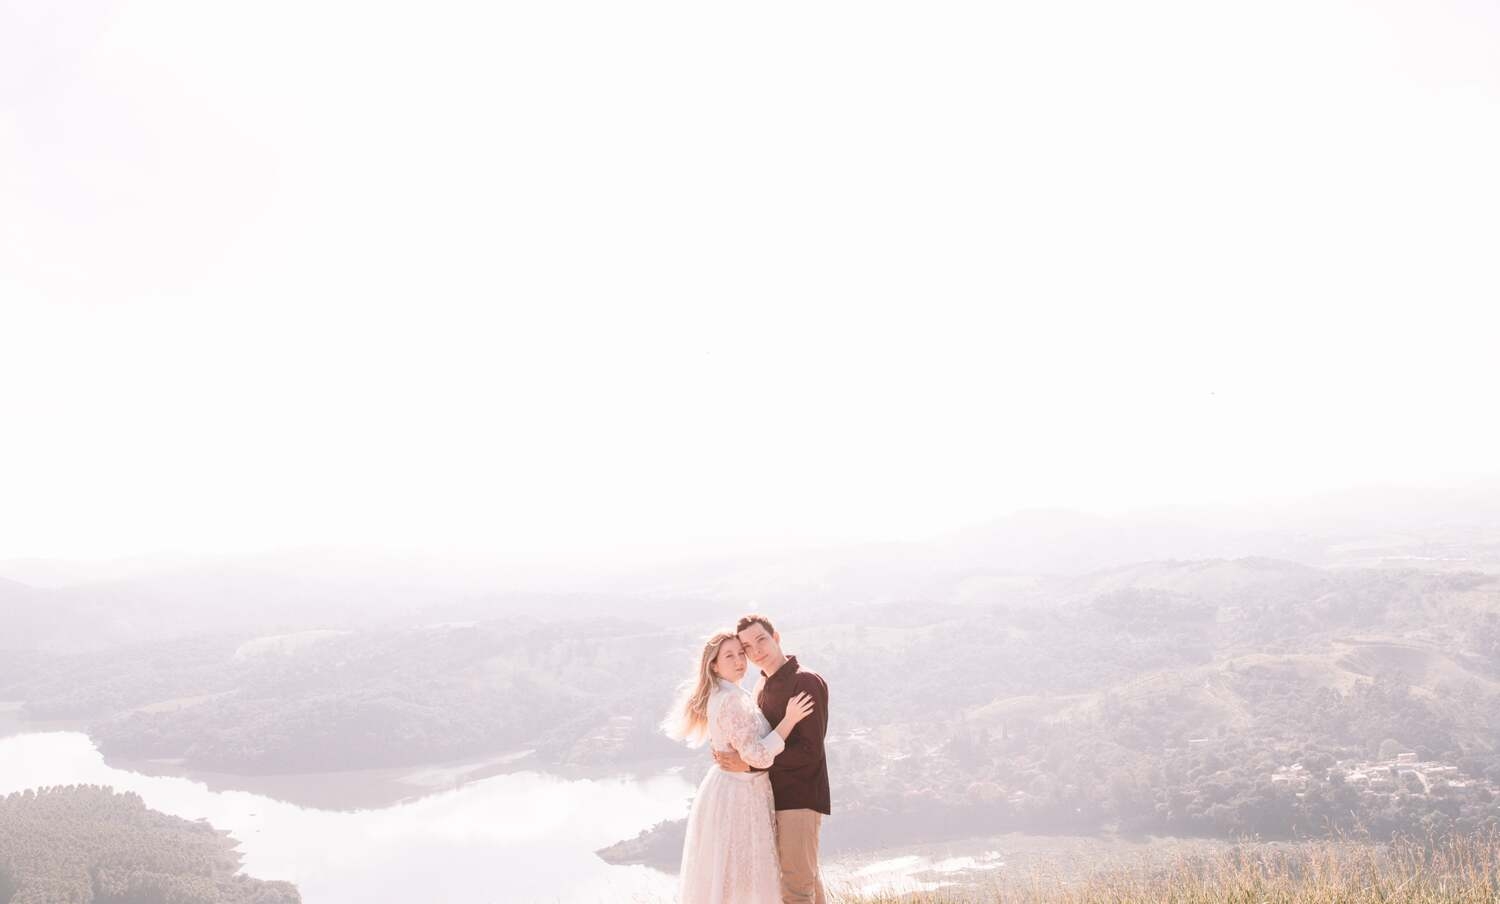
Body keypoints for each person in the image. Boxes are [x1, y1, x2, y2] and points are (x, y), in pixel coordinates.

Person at [663, 630, 817, 904]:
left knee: (730, 879)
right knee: (745, 881)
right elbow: (757, 756)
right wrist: (789, 720)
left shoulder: (728, 693)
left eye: (740, 654)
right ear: (714, 664)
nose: (739, 661)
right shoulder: (732, 698)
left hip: (732, 790)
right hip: (740, 797)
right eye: (729, 656)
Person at [713, 614, 830, 904]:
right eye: (747, 647)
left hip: (799, 798)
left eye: (761, 639)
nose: (756, 651)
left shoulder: (804, 681)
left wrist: (751, 764)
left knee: (795, 890)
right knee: (806, 883)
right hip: (773, 798)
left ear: (776, 637)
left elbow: (810, 750)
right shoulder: (762, 686)